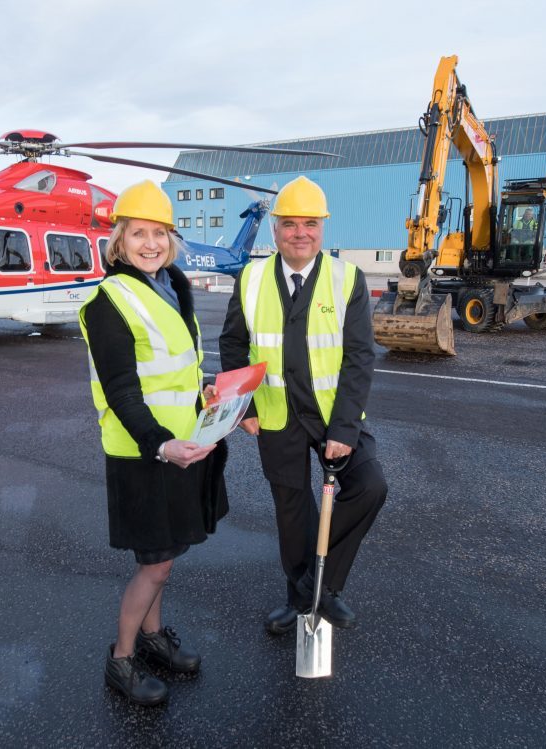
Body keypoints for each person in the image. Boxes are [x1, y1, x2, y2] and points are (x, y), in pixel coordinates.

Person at [78, 180, 229, 706]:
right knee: (155, 562)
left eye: (159, 233)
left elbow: (176, 368)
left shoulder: (170, 287)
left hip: (180, 444)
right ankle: (120, 659)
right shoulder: (109, 301)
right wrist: (161, 443)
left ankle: (151, 637)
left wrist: (207, 390)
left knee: (167, 553)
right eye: (138, 233)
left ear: (172, 239)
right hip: (142, 451)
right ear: (119, 240)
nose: (150, 243)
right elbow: (121, 389)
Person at [219, 175, 388, 636]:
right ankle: (301, 600)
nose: (300, 233)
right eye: (290, 223)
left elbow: (359, 357)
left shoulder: (346, 278)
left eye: (309, 223)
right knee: (292, 508)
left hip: (335, 414)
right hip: (276, 413)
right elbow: (233, 344)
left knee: (370, 486)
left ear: (323, 229)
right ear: (275, 229)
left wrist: (344, 430)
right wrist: (243, 409)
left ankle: (319, 584)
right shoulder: (251, 278)